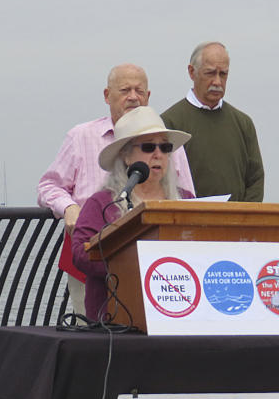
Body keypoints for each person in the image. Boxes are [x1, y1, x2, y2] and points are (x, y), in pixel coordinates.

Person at [38, 64, 194, 317]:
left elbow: (188, 193)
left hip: (170, 288)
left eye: (164, 149)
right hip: (102, 274)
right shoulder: (81, 138)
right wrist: (69, 207)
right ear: (107, 95)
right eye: (125, 90)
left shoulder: (177, 185)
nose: (133, 96)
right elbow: (48, 185)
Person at [71, 107, 193, 321]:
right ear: (126, 156)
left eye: (165, 147)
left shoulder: (187, 200)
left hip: (180, 311)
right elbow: (81, 254)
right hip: (116, 317)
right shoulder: (102, 204)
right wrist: (128, 265)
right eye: (148, 147)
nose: (158, 154)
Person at [161, 42, 264, 201]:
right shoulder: (169, 122)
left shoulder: (243, 123)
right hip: (187, 221)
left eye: (223, 74)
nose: (217, 82)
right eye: (210, 73)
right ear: (191, 72)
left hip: (237, 222)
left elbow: (256, 178)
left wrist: (245, 218)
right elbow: (162, 180)